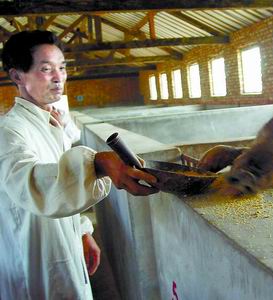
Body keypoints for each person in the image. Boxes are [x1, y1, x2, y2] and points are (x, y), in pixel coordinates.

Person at [0, 30, 159, 299]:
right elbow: (33, 184)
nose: (58, 77)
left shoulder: (49, 123)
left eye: (61, 68)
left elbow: (61, 183)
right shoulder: (9, 131)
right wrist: (97, 163)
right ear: (17, 76)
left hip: (63, 245)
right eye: (46, 69)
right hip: (33, 260)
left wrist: (83, 231)